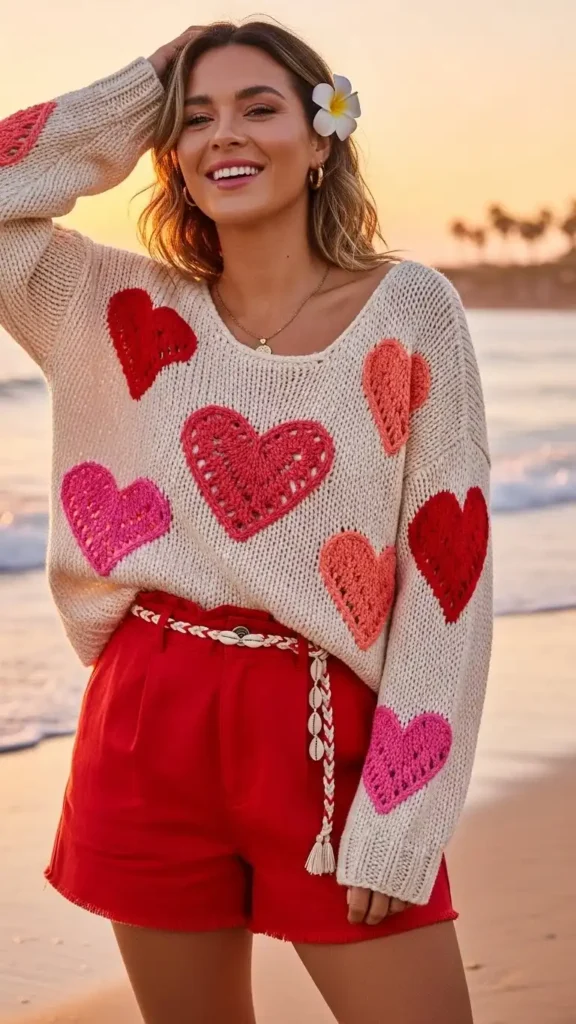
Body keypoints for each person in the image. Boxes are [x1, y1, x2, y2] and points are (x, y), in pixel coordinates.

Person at [0, 19, 493, 1024]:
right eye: (197, 121)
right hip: (149, 718)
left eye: (259, 108)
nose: (227, 134)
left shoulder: (411, 311)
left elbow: (451, 576)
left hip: (333, 738)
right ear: (169, 158)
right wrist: (140, 89)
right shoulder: (104, 301)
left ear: (322, 139)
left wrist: (405, 812)